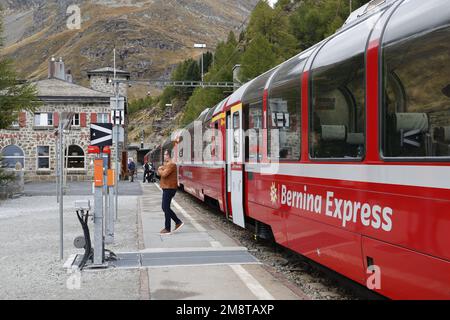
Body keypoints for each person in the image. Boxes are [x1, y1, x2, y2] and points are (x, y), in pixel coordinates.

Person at [158, 150, 183, 235]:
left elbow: (164, 174)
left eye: (165, 155)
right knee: (165, 207)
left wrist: (159, 169)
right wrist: (161, 169)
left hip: (169, 188)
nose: (164, 156)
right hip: (167, 188)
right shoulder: (168, 165)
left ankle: (170, 226)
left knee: (165, 207)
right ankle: (175, 223)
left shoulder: (171, 164)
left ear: (168, 155)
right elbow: (161, 172)